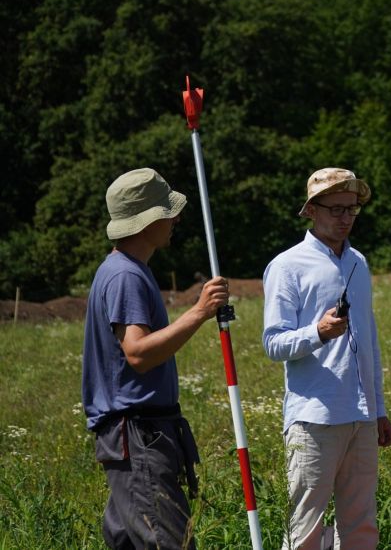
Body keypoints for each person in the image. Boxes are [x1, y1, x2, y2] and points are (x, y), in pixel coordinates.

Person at [82, 167, 230, 550]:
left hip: (138, 435)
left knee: (129, 542)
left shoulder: (127, 271)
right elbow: (138, 353)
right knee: (169, 543)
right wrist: (198, 312)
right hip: (139, 435)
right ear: (146, 222)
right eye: (168, 212)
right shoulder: (125, 276)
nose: (176, 219)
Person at [262, 167, 391, 550]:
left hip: (361, 416)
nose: (345, 218)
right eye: (336, 209)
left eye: (352, 209)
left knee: (361, 526)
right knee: (305, 530)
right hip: (314, 418)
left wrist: (379, 408)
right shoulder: (288, 266)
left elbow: (368, 341)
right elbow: (273, 343)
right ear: (313, 210)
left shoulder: (359, 262)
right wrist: (316, 333)